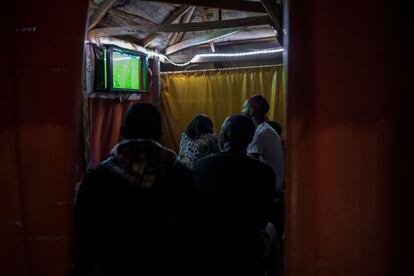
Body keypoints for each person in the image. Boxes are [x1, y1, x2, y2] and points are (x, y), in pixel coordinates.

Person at [73, 103, 200, 276]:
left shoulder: (96, 179)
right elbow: (195, 237)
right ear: (159, 135)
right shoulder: (183, 178)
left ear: (122, 131)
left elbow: (81, 243)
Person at [193, 114, 275, 276]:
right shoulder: (265, 173)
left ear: (223, 136)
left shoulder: (201, 166)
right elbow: (264, 218)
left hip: (208, 251)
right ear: (251, 139)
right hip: (248, 252)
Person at [242, 94, 284, 192]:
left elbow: (247, 163)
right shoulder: (265, 129)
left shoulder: (261, 133)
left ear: (251, 111)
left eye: (244, 109)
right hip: (273, 183)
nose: (242, 112)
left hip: (270, 187)